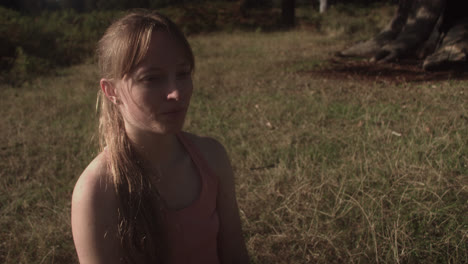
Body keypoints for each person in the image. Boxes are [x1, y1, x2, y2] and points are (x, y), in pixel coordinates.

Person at [71, 10, 249, 264]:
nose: (176, 92)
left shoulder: (211, 157)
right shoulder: (97, 190)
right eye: (152, 79)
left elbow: (235, 254)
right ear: (111, 91)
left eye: (183, 73)